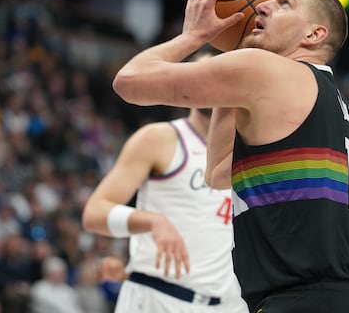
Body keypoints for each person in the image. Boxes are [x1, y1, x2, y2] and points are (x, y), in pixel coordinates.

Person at [111, 0, 349, 312]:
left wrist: (193, 37)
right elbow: (219, 171)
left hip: (305, 299)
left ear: (314, 34)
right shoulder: (340, 107)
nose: (263, 5)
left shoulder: (271, 71)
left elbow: (130, 81)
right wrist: (236, 68)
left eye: (285, 2)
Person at [82, 48, 248, 313]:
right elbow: (94, 213)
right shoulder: (160, 138)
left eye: (218, 75)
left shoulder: (249, 155)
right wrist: (151, 221)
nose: (210, 84)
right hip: (157, 298)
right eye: (201, 75)